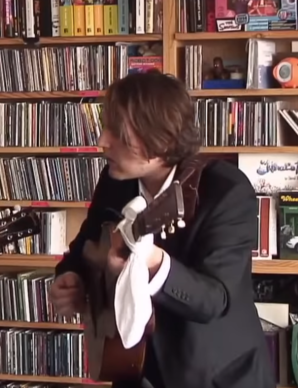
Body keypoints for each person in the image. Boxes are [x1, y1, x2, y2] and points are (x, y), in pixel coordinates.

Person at [49, 72, 274, 388]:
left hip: (216, 377)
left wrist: (154, 262)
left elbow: (215, 299)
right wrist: (70, 277)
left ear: (162, 138)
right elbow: (85, 244)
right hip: (134, 369)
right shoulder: (115, 180)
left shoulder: (226, 191)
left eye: (117, 131)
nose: (102, 141)